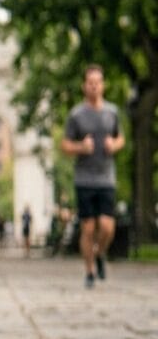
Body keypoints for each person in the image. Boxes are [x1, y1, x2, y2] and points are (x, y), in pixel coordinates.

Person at [60, 64, 124, 288]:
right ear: (84, 86)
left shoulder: (112, 112)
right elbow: (65, 144)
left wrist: (113, 145)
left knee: (107, 227)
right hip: (84, 179)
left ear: (102, 85)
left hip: (106, 177)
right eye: (90, 83)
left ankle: (99, 253)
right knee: (87, 227)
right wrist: (81, 147)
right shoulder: (76, 115)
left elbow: (120, 138)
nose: (94, 86)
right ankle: (89, 272)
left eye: (98, 82)